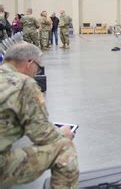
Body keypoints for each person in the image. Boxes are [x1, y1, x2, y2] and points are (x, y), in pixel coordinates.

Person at [0, 43, 79, 188]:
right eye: (38, 66)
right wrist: (63, 133)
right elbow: (42, 134)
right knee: (64, 147)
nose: (37, 72)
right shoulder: (24, 84)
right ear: (29, 63)